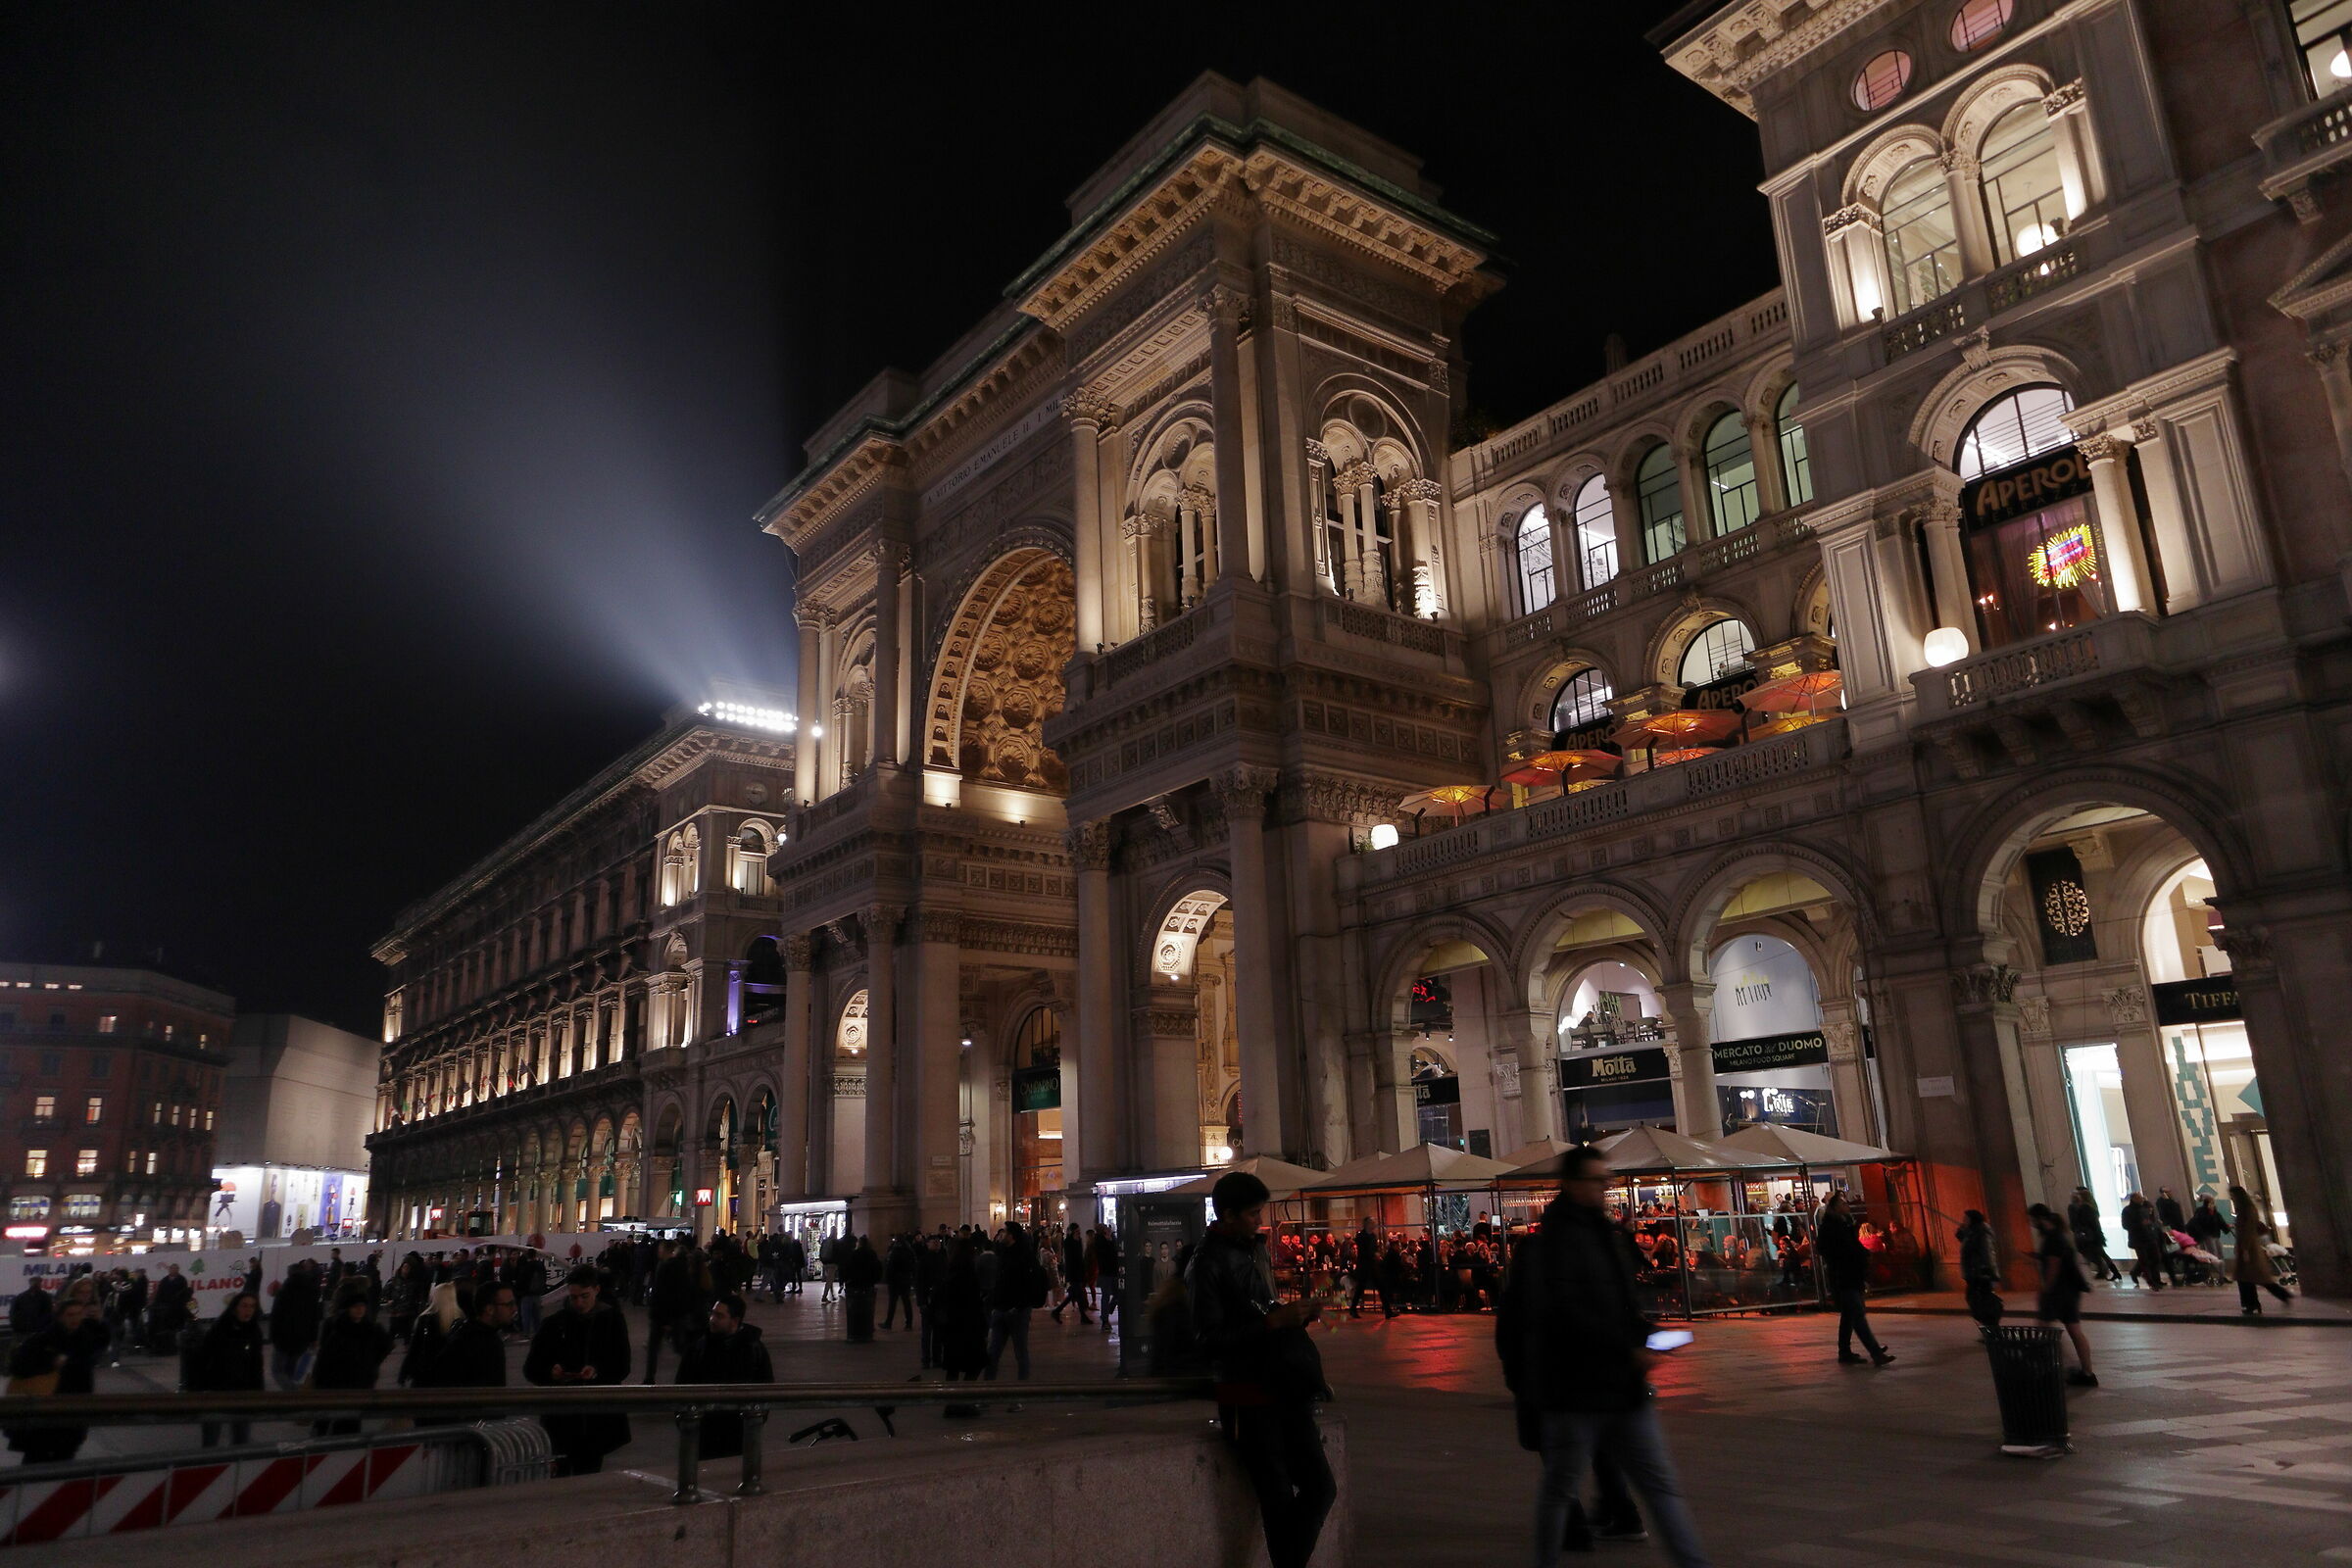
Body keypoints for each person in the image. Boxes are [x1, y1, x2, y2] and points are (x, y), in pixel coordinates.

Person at [1497, 1149, 1708, 1568]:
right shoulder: (1549, 1245)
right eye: (1596, 1180)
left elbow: (1621, 1306)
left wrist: (1650, 1337)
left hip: (1621, 1388)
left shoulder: (1606, 1236)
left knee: (1659, 1486)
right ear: (1573, 1183)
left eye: (1605, 1180)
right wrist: (1630, 1347)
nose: (1605, 1187)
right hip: (1574, 1391)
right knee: (1560, 1489)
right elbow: (1563, 1313)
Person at [1187, 1171, 1337, 1568]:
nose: (1260, 1220)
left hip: (1284, 1385)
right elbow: (1208, 1340)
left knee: (1320, 1487)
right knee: (1277, 1497)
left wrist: (1297, 1313)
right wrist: (1272, 1323)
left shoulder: (1255, 1249)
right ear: (1228, 1215)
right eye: (1253, 1213)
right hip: (1246, 1396)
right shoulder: (1206, 1264)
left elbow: (1263, 1307)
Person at [523, 1265, 632, 1474]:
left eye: (584, 1296)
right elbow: (531, 1368)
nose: (579, 1303)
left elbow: (622, 1365)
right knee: (561, 1475)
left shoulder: (612, 1321)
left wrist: (597, 1371)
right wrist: (550, 1372)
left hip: (595, 1418)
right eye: (574, 1297)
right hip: (561, 1419)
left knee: (588, 1470)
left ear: (596, 1290)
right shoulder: (553, 1324)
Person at [4, 1290, 111, 1465]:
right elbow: (18, 1366)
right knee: (37, 1459)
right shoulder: (44, 1340)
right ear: (60, 1317)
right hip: (45, 1410)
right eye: (70, 1315)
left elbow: (98, 1346)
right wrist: (51, 1363)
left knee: (64, 1457)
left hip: (72, 1409)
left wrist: (99, 1323)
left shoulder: (84, 1339)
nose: (75, 1319)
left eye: (78, 1314)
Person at [676, 1292, 774, 1458]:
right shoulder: (699, 1346)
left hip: (737, 1430)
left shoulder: (753, 1349)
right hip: (704, 1428)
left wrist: (754, 1420)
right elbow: (682, 1382)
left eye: (719, 1316)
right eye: (712, 1313)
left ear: (734, 1321)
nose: (712, 1319)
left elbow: (765, 1387)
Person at [1816, 1193, 1892, 1367]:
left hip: (1850, 1275)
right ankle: (1875, 1353)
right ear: (1836, 1208)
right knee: (1857, 1316)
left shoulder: (1844, 1225)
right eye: (1843, 1204)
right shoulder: (1832, 1228)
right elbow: (1836, 1250)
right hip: (1844, 1276)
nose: (1847, 1206)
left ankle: (1845, 1352)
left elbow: (1853, 1246)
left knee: (1850, 1316)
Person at [311, 1282, 395, 1436]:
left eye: (362, 1306)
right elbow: (324, 1359)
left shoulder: (370, 1329)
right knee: (333, 1423)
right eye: (356, 1306)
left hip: (358, 1385)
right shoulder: (338, 1328)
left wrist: (371, 1363)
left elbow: (387, 1345)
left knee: (348, 1426)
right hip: (337, 1385)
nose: (359, 1309)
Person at [2027, 1203, 2096, 1386]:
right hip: (2071, 1290)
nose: (2032, 1224)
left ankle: (2045, 1369)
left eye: (2033, 1220)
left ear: (2040, 1218)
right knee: (2074, 1330)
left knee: (2043, 1329)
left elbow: (2053, 1266)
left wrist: (2045, 1290)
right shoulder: (2060, 1235)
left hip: (2057, 1291)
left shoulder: (2052, 1238)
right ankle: (2087, 1373)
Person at [190, 1292, 267, 1447]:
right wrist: (199, 1387)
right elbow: (204, 1357)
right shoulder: (220, 1328)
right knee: (211, 1437)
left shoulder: (254, 1331)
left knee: (241, 1437)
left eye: (252, 1306)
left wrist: (258, 1392)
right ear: (235, 1308)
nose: (248, 1310)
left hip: (242, 1392)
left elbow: (256, 1364)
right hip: (217, 1390)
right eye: (244, 1306)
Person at [985, 1223, 1044, 1383]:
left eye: (1004, 1232)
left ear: (1011, 1236)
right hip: (1000, 1310)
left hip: (1017, 1312)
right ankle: (986, 1393)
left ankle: (1020, 1394)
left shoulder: (1025, 1257)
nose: (1001, 1235)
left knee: (1021, 1353)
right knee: (992, 1353)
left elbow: (1030, 1284)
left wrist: (1019, 1306)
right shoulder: (1002, 1253)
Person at [2229, 1185, 2294, 1315]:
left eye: (2232, 1195)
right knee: (2252, 1277)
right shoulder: (2246, 1209)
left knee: (2249, 1277)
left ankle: (2251, 1304)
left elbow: (2247, 1230)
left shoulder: (2246, 1210)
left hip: (2248, 1248)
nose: (2231, 1198)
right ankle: (2252, 1303)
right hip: (2247, 1246)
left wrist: (2245, 1249)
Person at [439, 1280, 516, 1388]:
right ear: (489, 1309)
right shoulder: (473, 1342)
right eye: (509, 1304)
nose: (514, 1309)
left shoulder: (478, 1334)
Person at [270, 1261, 324, 1390]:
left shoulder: (283, 1292)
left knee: (277, 1370)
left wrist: (273, 1337)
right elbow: (314, 1318)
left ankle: (293, 1393)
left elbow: (276, 1317)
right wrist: (313, 1338)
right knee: (291, 1369)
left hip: (283, 1338)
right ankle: (291, 1395)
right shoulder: (311, 1292)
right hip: (302, 1338)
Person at [401, 1281, 466, 1387]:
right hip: (451, 1376)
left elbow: (415, 1348)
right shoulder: (461, 1320)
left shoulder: (425, 1319)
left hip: (425, 1374)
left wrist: (404, 1373)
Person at [645, 1240, 693, 1384]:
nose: (658, 1251)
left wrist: (665, 1319)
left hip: (664, 1316)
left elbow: (664, 1293)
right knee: (677, 1346)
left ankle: (649, 1378)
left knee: (657, 1348)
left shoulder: (667, 1267)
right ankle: (688, 1373)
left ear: (667, 1250)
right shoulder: (681, 1266)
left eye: (661, 1248)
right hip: (674, 1314)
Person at [1957, 1210, 2003, 1327]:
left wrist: (1992, 1274)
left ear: (1973, 1219)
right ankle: (1989, 1327)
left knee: (1982, 1301)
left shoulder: (1982, 1233)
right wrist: (1961, 1229)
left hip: (1981, 1273)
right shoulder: (1972, 1232)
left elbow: (1988, 1254)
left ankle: (1992, 1328)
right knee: (1974, 1300)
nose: (1964, 1221)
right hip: (1972, 1273)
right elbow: (1962, 1238)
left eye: (1966, 1219)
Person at [2067, 1188, 2121, 1282]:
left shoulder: (2084, 1208)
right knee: (2101, 1254)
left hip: (2090, 1236)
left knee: (2091, 1254)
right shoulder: (2091, 1206)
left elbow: (2081, 1222)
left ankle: (2106, 1271)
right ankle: (2113, 1272)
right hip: (2095, 1235)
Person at [2121, 1193, 2167, 1291]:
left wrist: (2152, 1226)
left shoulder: (2144, 1208)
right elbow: (2125, 1225)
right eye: (2139, 1198)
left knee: (2156, 1258)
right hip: (2138, 1239)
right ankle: (2151, 1282)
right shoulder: (2127, 1211)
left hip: (2150, 1237)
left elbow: (2150, 1221)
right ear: (2133, 1199)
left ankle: (2156, 1279)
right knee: (2144, 1260)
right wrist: (2140, 1224)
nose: (2141, 1199)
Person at [843, 1234, 883, 1343]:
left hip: (855, 1285)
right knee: (867, 1309)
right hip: (868, 1285)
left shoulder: (854, 1255)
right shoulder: (872, 1254)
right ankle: (867, 1330)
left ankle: (856, 1332)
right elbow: (878, 1269)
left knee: (855, 1310)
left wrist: (847, 1280)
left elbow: (847, 1268)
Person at [1053, 1224, 1093, 1325]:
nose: (1079, 1233)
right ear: (1073, 1231)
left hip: (1078, 1271)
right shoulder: (1068, 1242)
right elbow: (1070, 1258)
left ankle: (1057, 1311)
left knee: (1074, 1294)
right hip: (1073, 1271)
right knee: (1077, 1293)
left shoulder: (1078, 1241)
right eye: (1077, 1231)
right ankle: (1082, 1317)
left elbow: (1080, 1256)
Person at [883, 1234, 917, 1332]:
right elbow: (913, 1265)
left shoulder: (895, 1251)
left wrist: (888, 1278)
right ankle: (909, 1323)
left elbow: (890, 1266)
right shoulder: (910, 1251)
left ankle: (888, 1322)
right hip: (906, 1279)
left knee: (893, 1302)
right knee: (906, 1301)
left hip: (895, 1280)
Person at [8, 1273, 52, 1338]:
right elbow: (13, 1312)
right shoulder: (21, 1297)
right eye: (34, 1282)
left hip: (38, 1331)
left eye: (37, 1282)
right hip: (24, 1331)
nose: (35, 1284)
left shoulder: (45, 1297)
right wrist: (16, 1326)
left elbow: (48, 1313)